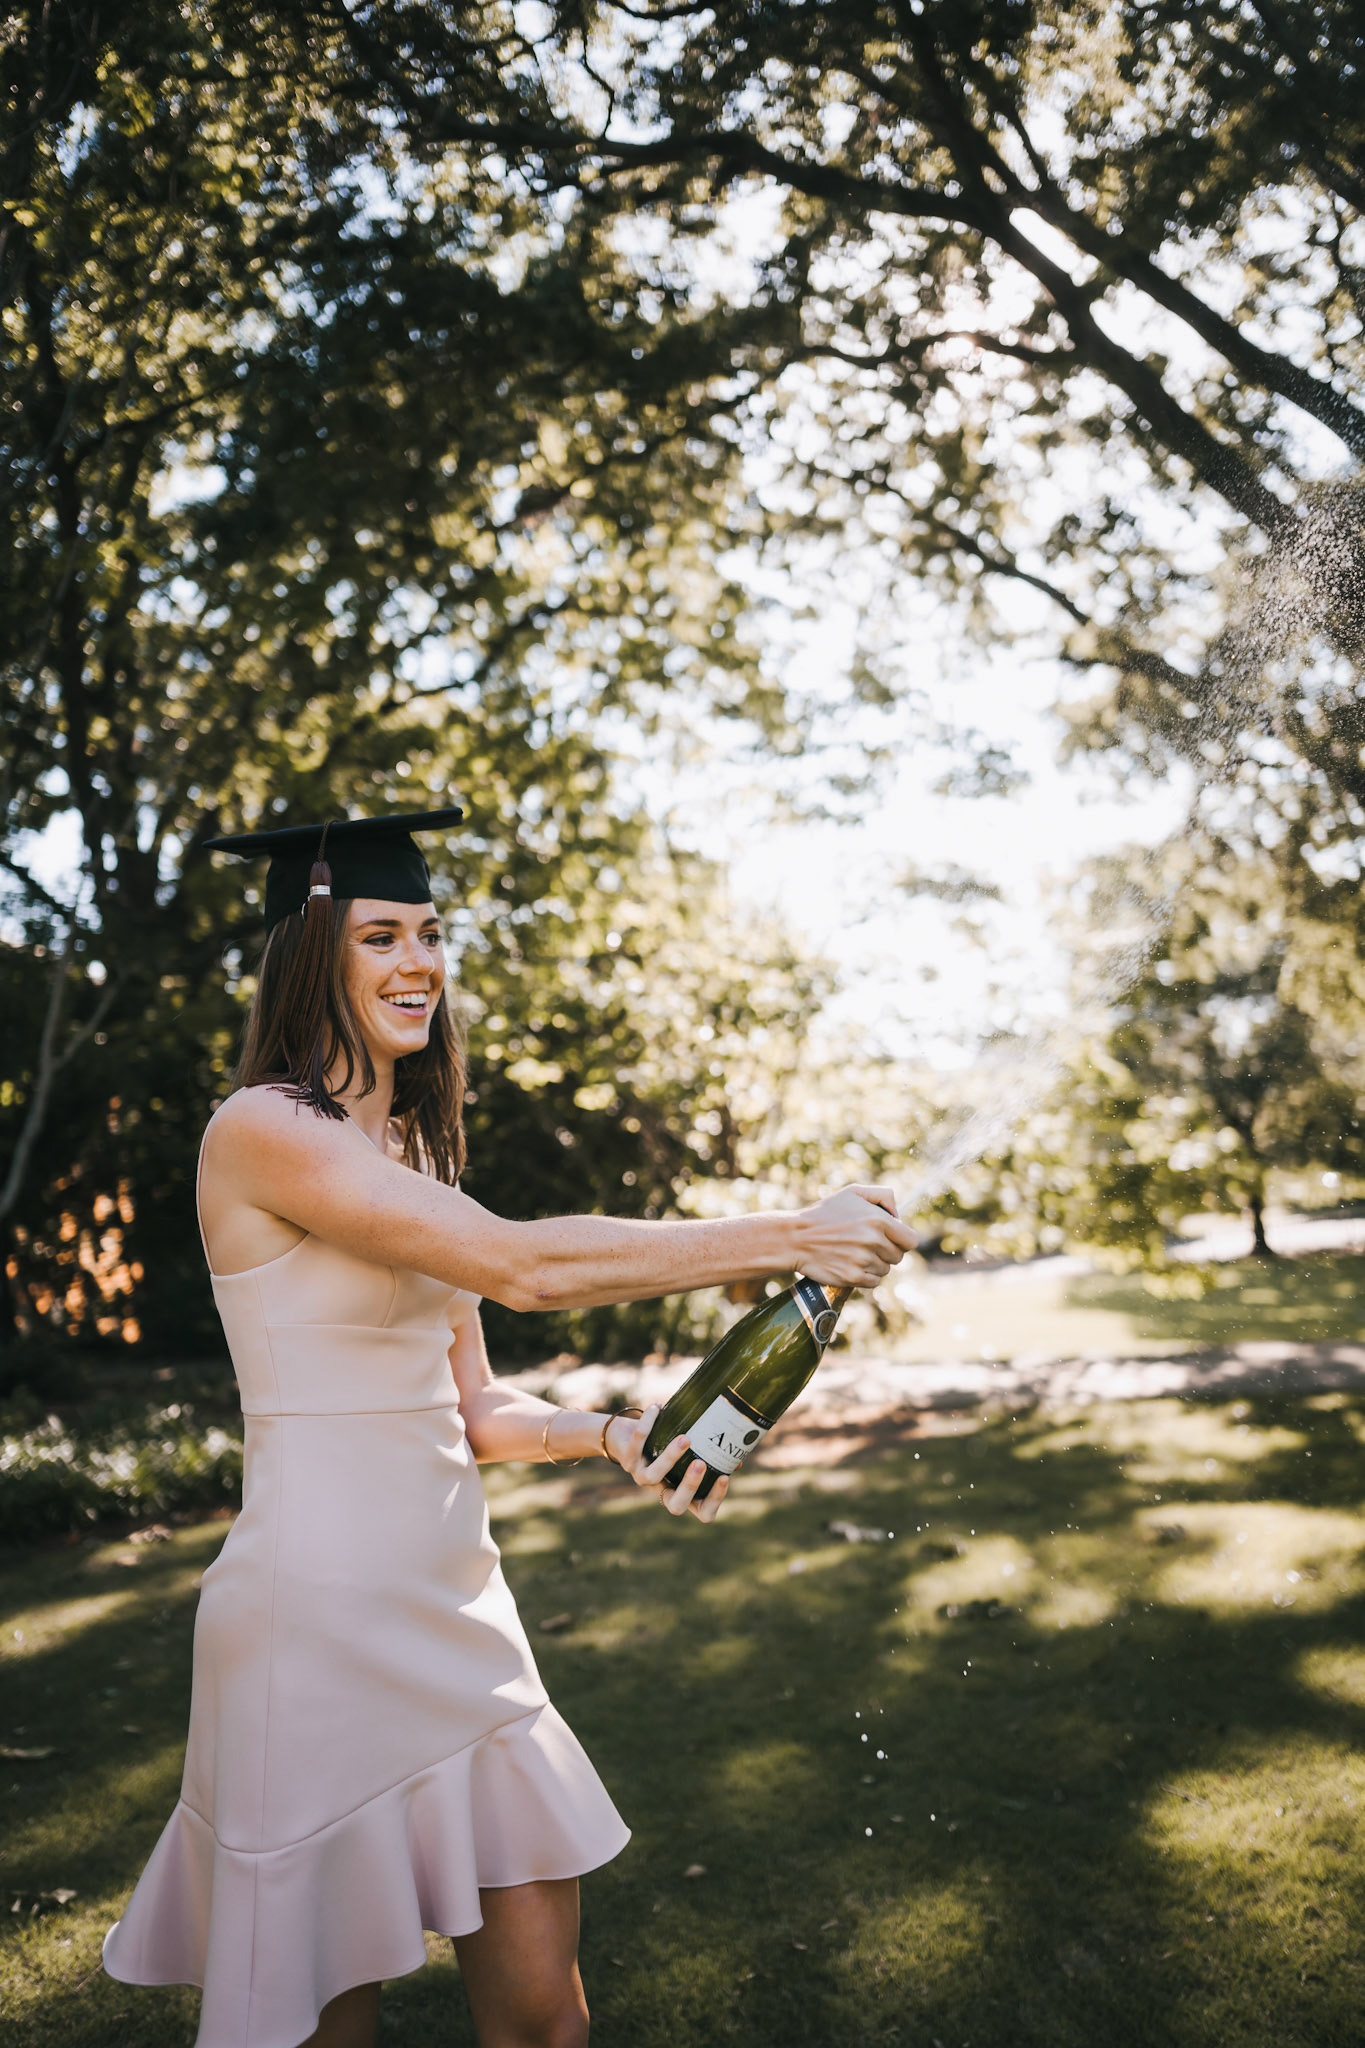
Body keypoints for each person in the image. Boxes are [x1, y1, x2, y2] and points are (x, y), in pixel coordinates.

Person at [102, 809, 914, 2048]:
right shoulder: (259, 1129)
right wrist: (792, 1234)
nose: (418, 960)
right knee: (320, 2028)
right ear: (310, 955)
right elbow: (523, 1266)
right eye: (381, 934)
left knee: (545, 2017)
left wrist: (614, 1433)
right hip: (309, 1629)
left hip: (460, 1612)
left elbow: (474, 1400)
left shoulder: (411, 1153)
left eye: (431, 932)